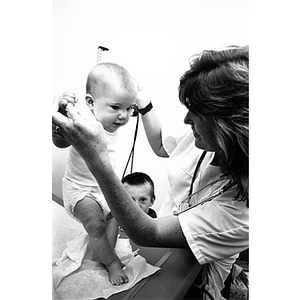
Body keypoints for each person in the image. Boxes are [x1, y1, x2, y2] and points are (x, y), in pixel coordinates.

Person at [52, 45, 249, 300]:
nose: (187, 121)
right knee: (98, 226)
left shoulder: (243, 215)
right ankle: (108, 259)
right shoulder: (202, 135)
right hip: (148, 226)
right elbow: (160, 145)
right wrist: (141, 102)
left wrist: (96, 159)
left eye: (198, 113)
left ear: (229, 128)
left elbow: (149, 232)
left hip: (199, 259)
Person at [52, 62, 138, 285]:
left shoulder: (111, 124)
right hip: (80, 190)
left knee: (113, 218)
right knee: (96, 226)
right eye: (116, 107)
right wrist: (61, 114)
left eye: (129, 109)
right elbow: (59, 141)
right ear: (90, 102)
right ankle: (111, 263)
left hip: (102, 188)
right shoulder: (82, 118)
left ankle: (105, 255)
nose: (123, 116)